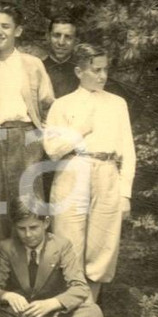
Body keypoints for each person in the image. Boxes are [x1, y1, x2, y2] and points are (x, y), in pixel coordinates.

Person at [42, 43, 135, 302]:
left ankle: (89, 314)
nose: (103, 76)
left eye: (105, 70)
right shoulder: (62, 105)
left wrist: (125, 193)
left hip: (107, 172)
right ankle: (68, 310)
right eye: (96, 70)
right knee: (68, 241)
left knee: (101, 246)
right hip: (73, 171)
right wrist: (78, 130)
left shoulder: (117, 104)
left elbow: (128, 150)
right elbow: (51, 148)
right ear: (79, 71)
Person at [0, 3, 54, 239]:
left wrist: (39, 140)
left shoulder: (32, 65)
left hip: (26, 140)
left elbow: (48, 106)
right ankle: (1, 271)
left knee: (30, 208)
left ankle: (32, 269)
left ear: (17, 31)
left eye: (5, 26)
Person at [0, 197, 104, 317]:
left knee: (92, 314)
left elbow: (80, 288)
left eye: (33, 227)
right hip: (17, 315)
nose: (28, 235)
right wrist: (6, 295)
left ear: (46, 223)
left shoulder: (62, 246)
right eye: (22, 229)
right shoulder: (7, 247)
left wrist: (52, 303)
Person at [42, 16, 80, 100]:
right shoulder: (38, 69)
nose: (61, 42)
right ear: (48, 37)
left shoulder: (83, 73)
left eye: (68, 37)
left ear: (76, 41)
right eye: (56, 35)